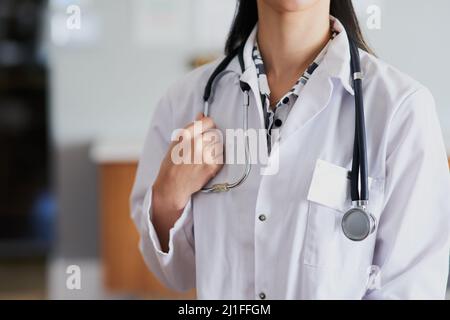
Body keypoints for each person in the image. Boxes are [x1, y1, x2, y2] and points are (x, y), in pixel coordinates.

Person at [130, 0, 450, 299]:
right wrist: (168, 199)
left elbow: (412, 284)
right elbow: (176, 276)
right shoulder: (186, 100)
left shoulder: (400, 109)